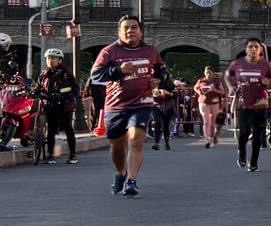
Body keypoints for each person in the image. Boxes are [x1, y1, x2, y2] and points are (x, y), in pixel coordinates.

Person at [89, 16, 169, 196]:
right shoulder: (109, 52)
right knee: (117, 147)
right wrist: (118, 70)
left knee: (136, 139)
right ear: (119, 31)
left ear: (140, 31)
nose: (130, 31)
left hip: (142, 103)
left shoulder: (151, 51)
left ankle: (132, 181)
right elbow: (95, 76)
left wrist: (161, 78)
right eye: (125, 28)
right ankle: (120, 172)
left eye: (134, 27)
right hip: (116, 106)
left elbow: (161, 70)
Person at [228, 39, 271, 173]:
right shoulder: (238, 64)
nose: (253, 49)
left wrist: (268, 81)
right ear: (246, 49)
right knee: (244, 132)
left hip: (260, 103)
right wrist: (231, 88)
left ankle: (254, 162)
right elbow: (228, 75)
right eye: (250, 47)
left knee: (257, 134)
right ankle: (242, 152)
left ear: (260, 50)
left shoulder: (267, 65)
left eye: (256, 47)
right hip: (243, 104)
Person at [34, 48, 79, 164]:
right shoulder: (44, 74)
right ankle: (50, 156)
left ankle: (73, 155)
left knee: (68, 129)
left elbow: (75, 89)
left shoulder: (66, 74)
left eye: (53, 58)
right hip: (50, 106)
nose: (51, 60)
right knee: (51, 131)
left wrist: (66, 95)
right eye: (48, 58)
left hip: (64, 106)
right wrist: (32, 93)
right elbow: (38, 88)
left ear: (60, 60)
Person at [195, 67, 227, 148]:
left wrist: (214, 90)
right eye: (207, 73)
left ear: (212, 73)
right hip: (203, 102)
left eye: (210, 73)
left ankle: (212, 137)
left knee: (213, 122)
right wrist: (199, 92)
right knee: (206, 121)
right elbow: (195, 87)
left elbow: (223, 92)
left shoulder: (216, 81)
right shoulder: (201, 81)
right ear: (205, 73)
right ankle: (207, 140)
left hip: (214, 103)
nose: (208, 75)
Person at [149, 71, 177, 150]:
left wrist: (168, 93)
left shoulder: (170, 84)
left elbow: (175, 95)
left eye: (165, 75)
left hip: (168, 106)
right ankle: (156, 143)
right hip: (156, 106)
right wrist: (153, 94)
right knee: (157, 123)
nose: (164, 77)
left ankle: (167, 142)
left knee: (166, 125)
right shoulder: (151, 85)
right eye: (156, 78)